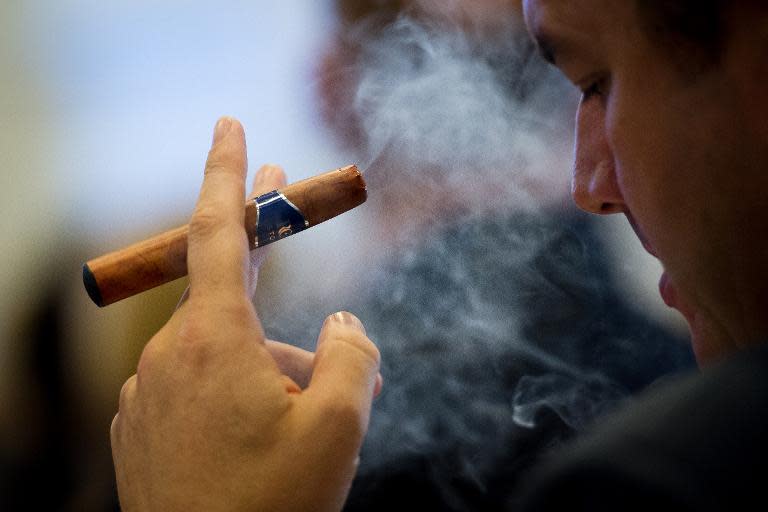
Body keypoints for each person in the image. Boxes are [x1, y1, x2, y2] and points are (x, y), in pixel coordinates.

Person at [110, 1, 768, 510]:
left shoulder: (641, 476)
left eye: (598, 82)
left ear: (329, 81)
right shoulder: (668, 359)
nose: (590, 182)